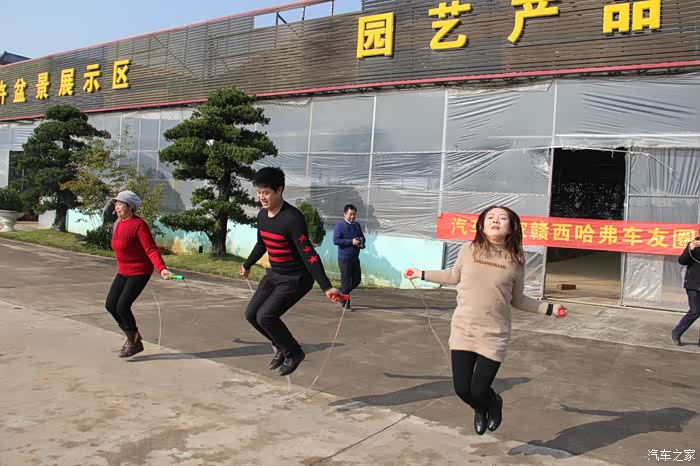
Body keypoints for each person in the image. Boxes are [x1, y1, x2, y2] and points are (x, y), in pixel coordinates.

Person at [404, 206, 566, 436]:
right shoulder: (469, 249)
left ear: (511, 227)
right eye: (490, 217)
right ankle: (480, 409)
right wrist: (421, 273)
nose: (495, 220)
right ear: (481, 225)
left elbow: (518, 300)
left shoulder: (516, 258)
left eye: (502, 218)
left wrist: (549, 308)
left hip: (493, 334)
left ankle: (493, 402)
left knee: (479, 389)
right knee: (462, 390)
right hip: (464, 329)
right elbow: (452, 276)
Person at [241, 167, 341, 376]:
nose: (261, 197)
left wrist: (326, 286)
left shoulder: (292, 218)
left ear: (279, 190)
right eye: (258, 192)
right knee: (251, 314)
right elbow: (261, 244)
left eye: (266, 192)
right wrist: (247, 264)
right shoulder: (262, 215)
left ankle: (294, 353)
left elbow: (308, 253)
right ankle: (280, 346)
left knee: (266, 316)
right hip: (274, 274)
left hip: (296, 278)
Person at [106, 190, 173, 358]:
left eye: (120, 204)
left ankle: (133, 340)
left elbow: (151, 249)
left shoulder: (139, 225)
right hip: (123, 270)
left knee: (122, 306)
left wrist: (162, 268)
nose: (117, 206)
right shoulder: (118, 224)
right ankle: (133, 336)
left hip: (139, 271)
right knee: (110, 305)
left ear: (130, 206)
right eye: (116, 203)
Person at [333, 204, 366, 311]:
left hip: (355, 258)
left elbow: (362, 237)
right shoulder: (340, 225)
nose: (352, 216)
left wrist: (361, 242)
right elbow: (336, 240)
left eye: (354, 214)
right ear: (345, 214)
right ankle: (345, 304)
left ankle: (341, 292)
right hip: (344, 258)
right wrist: (351, 242)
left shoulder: (357, 225)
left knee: (357, 280)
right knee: (346, 282)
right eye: (350, 214)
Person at [672, 236, 700, 347]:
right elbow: (682, 261)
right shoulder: (694, 244)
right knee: (695, 311)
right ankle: (677, 332)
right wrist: (690, 250)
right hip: (693, 284)